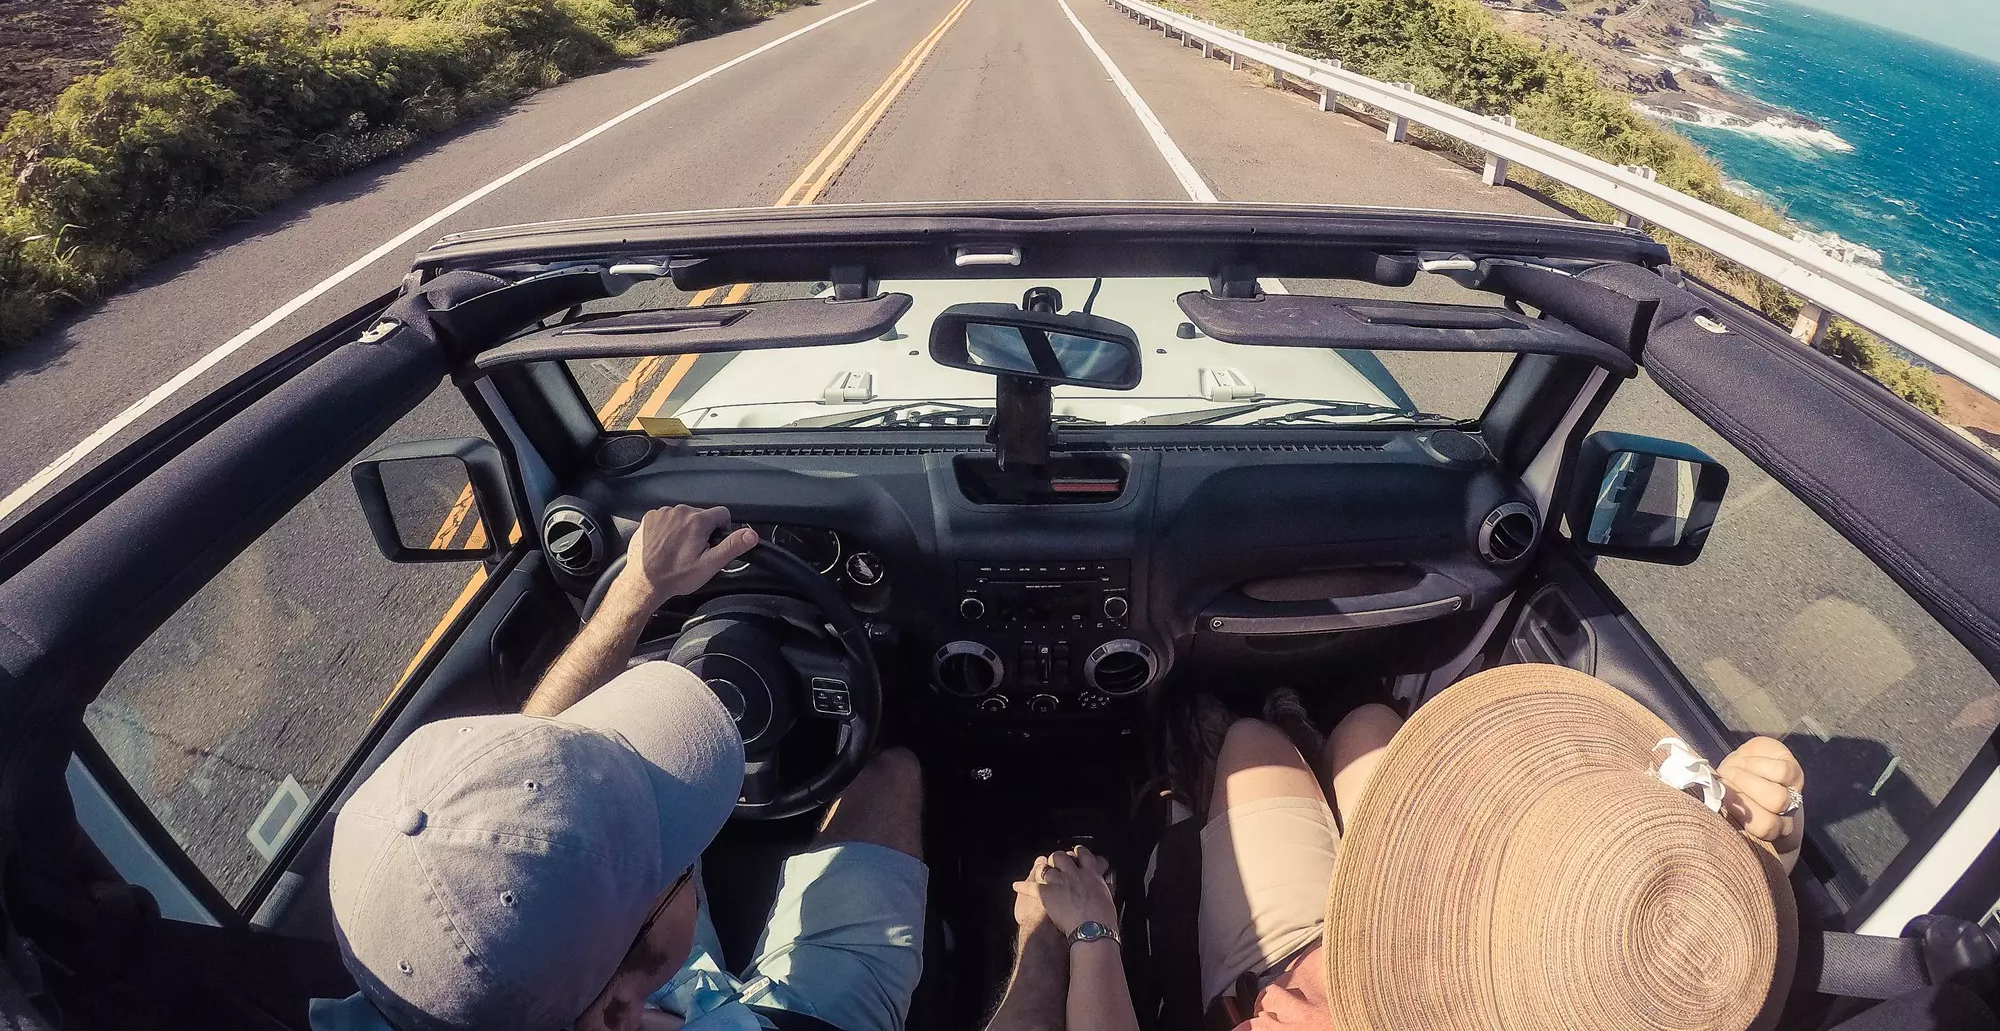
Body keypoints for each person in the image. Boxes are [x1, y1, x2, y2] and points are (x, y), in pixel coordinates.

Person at [311, 504, 927, 1031]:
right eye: (667, 867)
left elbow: (531, 769)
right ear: (614, 1013)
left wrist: (638, 589)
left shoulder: (418, 993)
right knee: (892, 773)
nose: (681, 860)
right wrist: (1030, 951)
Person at [1011, 664, 1811, 1031]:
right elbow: (1682, 952)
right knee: (1369, 732)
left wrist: (1090, 931)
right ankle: (1304, 739)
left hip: (1295, 949)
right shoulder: (1644, 993)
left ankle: (1268, 737)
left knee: (1250, 743)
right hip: (1457, 902)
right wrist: (1749, 848)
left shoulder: (1281, 1011)